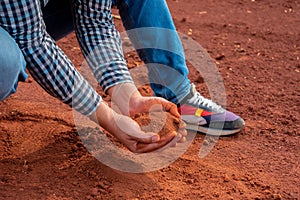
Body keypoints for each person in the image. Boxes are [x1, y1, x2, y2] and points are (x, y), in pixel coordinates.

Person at [0, 0, 186, 153]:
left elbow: (94, 20)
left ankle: (182, 95)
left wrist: (126, 94)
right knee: (5, 64)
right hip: (15, 18)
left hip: (23, 15)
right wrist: (109, 119)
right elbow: (31, 42)